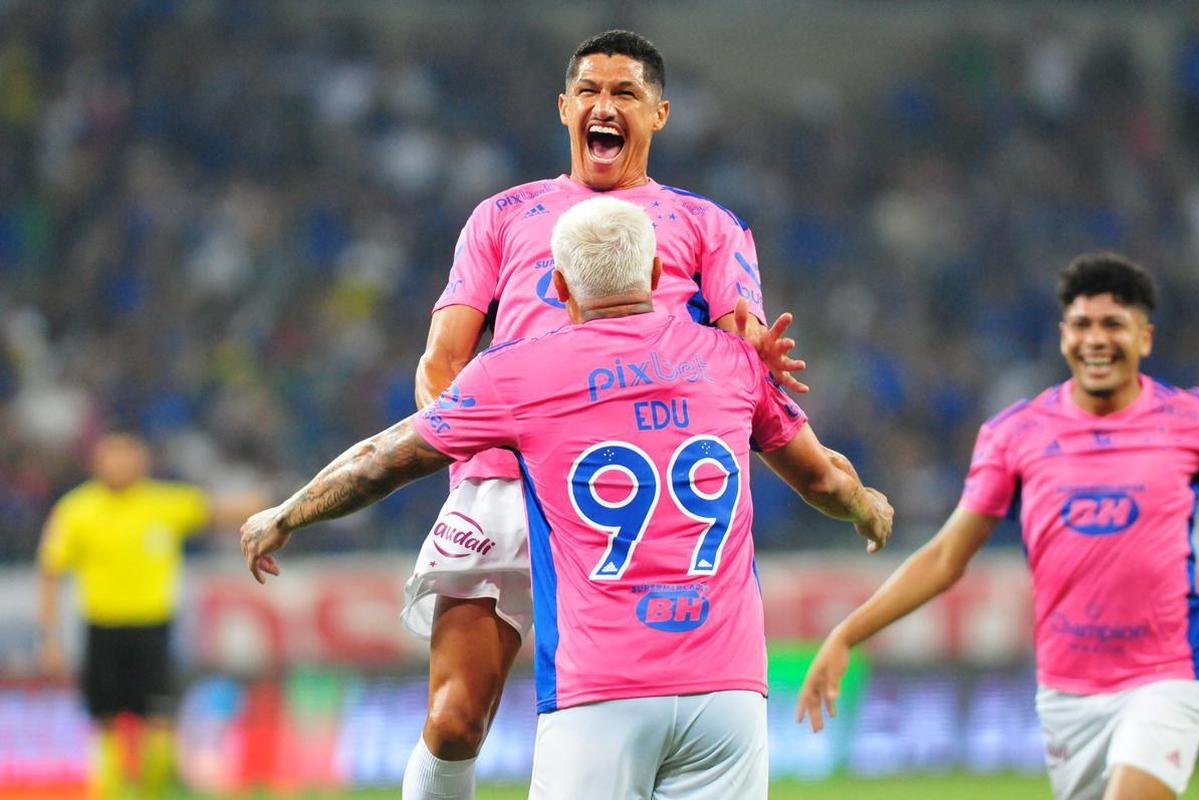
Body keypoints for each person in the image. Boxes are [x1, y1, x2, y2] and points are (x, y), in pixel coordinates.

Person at [240, 197, 892, 799]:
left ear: (556, 286)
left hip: (600, 690)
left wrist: (287, 513)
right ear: (658, 269)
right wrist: (867, 506)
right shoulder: (730, 361)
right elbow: (823, 481)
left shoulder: (516, 374)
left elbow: (380, 462)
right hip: (727, 694)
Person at [401, 29, 804, 799]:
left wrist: (760, 354)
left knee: (641, 704)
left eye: (623, 94)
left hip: (628, 488)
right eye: (588, 91)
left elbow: (737, 345)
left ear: (658, 113)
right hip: (509, 484)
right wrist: (473, 452)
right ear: (562, 108)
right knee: (455, 717)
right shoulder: (503, 216)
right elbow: (440, 364)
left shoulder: (706, 224)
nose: (603, 106)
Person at [798, 253, 1199, 800]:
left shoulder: (1187, 420)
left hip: (1169, 672)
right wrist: (847, 634)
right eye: (1083, 324)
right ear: (1064, 335)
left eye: (1114, 324)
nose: (1097, 339)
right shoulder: (1018, 434)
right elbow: (946, 559)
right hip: (1066, 689)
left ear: (1145, 338)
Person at [37, 432, 265, 800]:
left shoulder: (164, 503)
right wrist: (48, 638)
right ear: (96, 460)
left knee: (159, 729)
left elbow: (222, 510)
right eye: (112, 454)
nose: (120, 462)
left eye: (128, 453)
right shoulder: (76, 510)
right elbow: (49, 571)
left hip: (153, 632)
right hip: (102, 631)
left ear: (143, 460)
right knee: (105, 728)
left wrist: (284, 506)